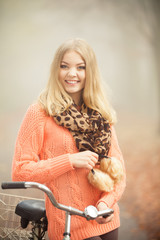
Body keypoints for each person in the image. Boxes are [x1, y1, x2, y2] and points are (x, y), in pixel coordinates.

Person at [12, 38, 126, 240]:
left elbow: (118, 172)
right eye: (64, 66)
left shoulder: (101, 113)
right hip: (68, 224)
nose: (72, 73)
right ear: (56, 70)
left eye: (80, 67)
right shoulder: (39, 112)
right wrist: (69, 161)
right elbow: (20, 171)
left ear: (89, 72)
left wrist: (105, 204)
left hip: (104, 218)